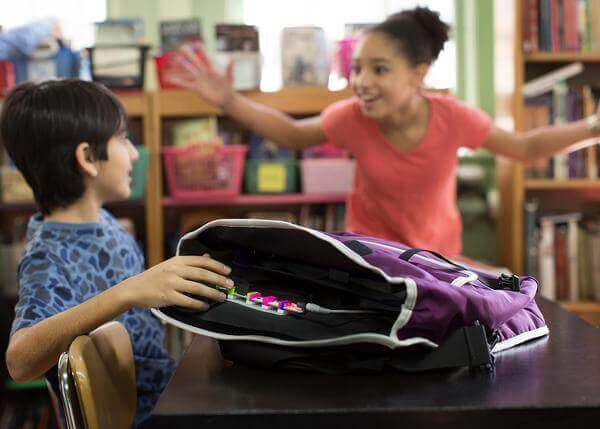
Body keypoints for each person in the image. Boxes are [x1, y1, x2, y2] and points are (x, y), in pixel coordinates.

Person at [165, 7, 600, 258]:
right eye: (357, 68)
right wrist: (227, 99)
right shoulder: (353, 117)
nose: (362, 81)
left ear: (418, 75)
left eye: (379, 69)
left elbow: (524, 148)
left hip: (435, 263)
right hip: (370, 258)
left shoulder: (452, 117)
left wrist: (592, 127)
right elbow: (294, 135)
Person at [1, 79, 234, 427]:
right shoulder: (48, 256)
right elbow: (19, 362)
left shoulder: (106, 222)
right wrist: (128, 292)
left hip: (168, 397)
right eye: (124, 139)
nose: (135, 153)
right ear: (88, 158)